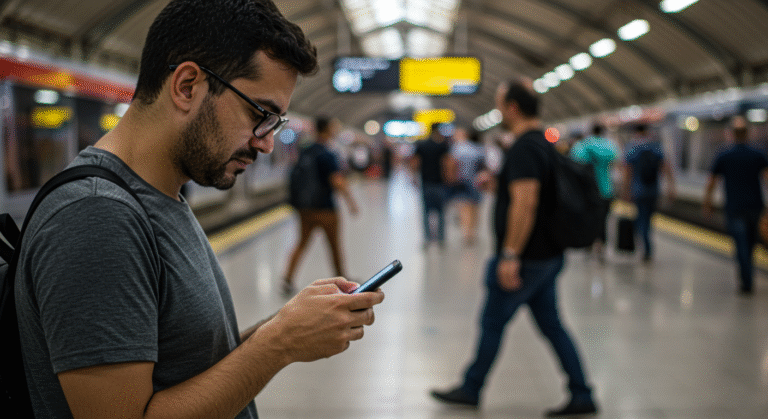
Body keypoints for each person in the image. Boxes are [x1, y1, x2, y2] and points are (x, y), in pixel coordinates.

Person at [14, 1, 384, 418]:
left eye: (275, 125)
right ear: (187, 85)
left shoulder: (162, 195)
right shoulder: (96, 217)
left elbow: (187, 370)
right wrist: (278, 344)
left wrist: (286, 325)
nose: (265, 142)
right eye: (261, 114)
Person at [430, 79, 598, 417]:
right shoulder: (544, 143)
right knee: (552, 325)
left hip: (527, 258)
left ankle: (471, 388)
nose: (497, 111)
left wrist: (510, 255)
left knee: (493, 322)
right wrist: (499, 184)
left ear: (513, 108)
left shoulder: (524, 147)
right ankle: (582, 393)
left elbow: (526, 202)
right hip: (547, 254)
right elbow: (532, 192)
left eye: (499, 104)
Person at [283, 116, 359, 295]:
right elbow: (337, 181)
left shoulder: (305, 150)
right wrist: (351, 202)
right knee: (334, 245)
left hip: (305, 208)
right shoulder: (327, 153)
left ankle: (287, 278)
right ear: (327, 130)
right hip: (325, 208)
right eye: (333, 127)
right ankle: (343, 280)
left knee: (301, 243)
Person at [703, 116, 768, 295]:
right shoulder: (759, 154)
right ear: (748, 133)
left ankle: (745, 280)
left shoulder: (724, 154)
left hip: (734, 208)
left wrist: (707, 203)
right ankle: (748, 277)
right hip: (755, 206)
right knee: (751, 243)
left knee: (740, 243)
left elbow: (711, 182)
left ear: (731, 134)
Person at [622, 123, 676, 262]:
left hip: (638, 190)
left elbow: (628, 171)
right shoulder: (656, 147)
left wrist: (625, 190)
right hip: (653, 190)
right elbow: (666, 166)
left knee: (641, 219)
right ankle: (647, 247)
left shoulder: (632, 148)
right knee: (648, 219)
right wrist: (671, 187)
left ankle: (646, 249)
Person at [570, 124, 619, 261]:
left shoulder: (581, 146)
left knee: (588, 218)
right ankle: (601, 244)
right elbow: (616, 163)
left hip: (586, 191)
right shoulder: (610, 146)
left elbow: (574, 166)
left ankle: (588, 242)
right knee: (603, 219)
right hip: (606, 189)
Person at [410, 123, 454, 247]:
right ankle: (441, 239)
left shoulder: (422, 144)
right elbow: (447, 162)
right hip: (439, 183)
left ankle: (427, 238)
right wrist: (449, 178)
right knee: (441, 212)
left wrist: (413, 177)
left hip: (426, 182)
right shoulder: (443, 145)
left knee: (425, 212)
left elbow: (415, 162)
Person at [450, 127, 486, 244]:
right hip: (476, 182)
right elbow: (483, 165)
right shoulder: (478, 149)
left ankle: (467, 233)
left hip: (462, 182)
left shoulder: (456, 149)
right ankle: (472, 231)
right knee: (475, 207)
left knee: (464, 208)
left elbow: (452, 165)